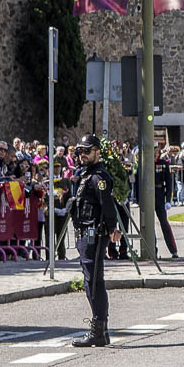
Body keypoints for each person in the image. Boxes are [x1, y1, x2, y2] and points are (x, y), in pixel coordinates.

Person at [70, 135, 120, 348]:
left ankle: (98, 329)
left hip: (93, 233)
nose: (82, 155)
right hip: (84, 232)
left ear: (97, 152)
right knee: (90, 280)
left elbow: (107, 204)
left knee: (93, 281)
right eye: (80, 151)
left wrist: (112, 228)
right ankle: (101, 330)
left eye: (87, 151)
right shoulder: (84, 174)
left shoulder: (98, 177)